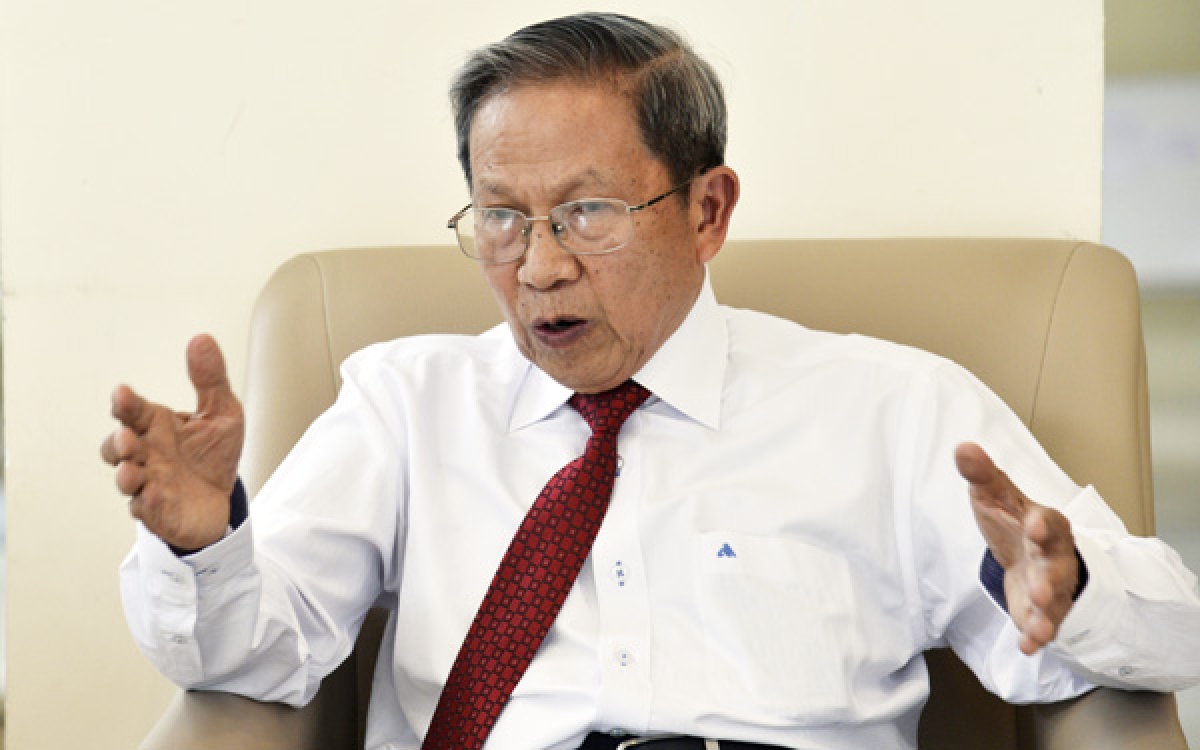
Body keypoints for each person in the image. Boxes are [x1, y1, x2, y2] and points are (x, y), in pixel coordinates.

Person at [103, 12, 1200, 750]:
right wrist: (204, 549)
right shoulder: (404, 404)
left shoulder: (892, 409)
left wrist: (1072, 591)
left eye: (587, 213)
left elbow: (1173, 633)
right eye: (501, 217)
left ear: (707, 211)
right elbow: (253, 656)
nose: (539, 267)